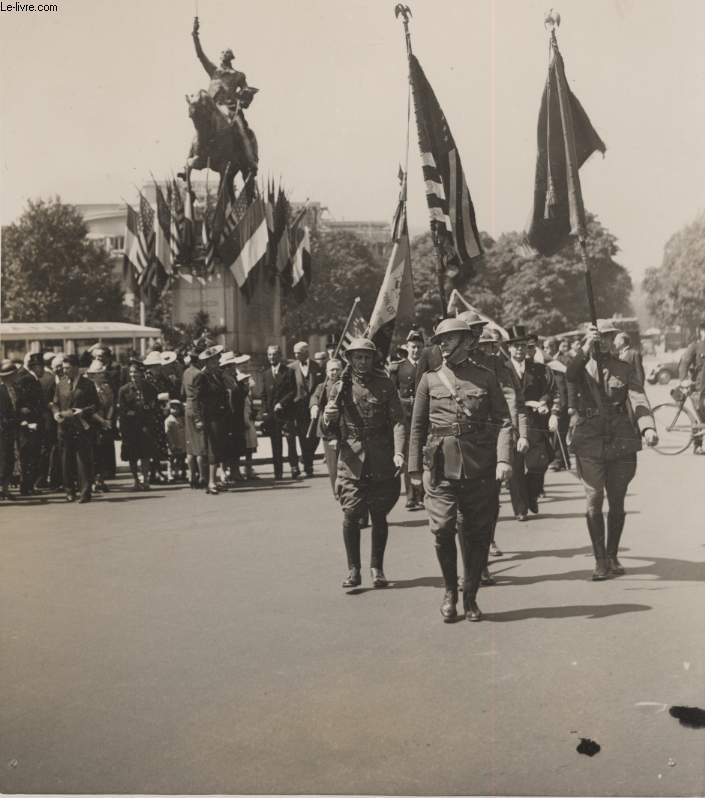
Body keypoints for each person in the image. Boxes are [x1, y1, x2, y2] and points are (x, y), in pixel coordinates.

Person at [408, 318, 513, 622]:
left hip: (479, 466)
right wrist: (414, 468)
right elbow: (417, 427)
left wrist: (504, 459)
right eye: (440, 339)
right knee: (442, 529)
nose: (442, 344)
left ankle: (470, 595)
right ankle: (449, 591)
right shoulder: (429, 380)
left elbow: (504, 421)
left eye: (450, 339)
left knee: (477, 533)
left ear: (467, 342)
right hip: (440, 465)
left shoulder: (486, 377)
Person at [566, 321, 658, 579]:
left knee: (617, 500)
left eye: (608, 337)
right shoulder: (581, 365)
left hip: (620, 440)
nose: (604, 341)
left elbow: (638, 399)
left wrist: (647, 427)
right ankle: (600, 560)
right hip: (589, 440)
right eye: (599, 337)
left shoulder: (624, 368)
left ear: (614, 340)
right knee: (594, 499)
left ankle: (613, 554)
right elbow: (570, 376)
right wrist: (585, 347)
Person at [322, 338, 405, 589]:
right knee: (351, 514)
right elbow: (327, 430)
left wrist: (399, 452)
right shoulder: (339, 388)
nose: (362, 361)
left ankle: (376, 568)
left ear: (373, 359)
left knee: (379, 515)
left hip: (380, 459)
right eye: (357, 357)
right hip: (351, 459)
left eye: (367, 357)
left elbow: (398, 421)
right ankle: (353, 569)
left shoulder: (385, 386)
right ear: (349, 359)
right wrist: (328, 418)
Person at [472, 320, 529, 578]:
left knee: (490, 500)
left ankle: (485, 548)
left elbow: (512, 401)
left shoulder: (500, 367)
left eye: (489, 346)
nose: (485, 350)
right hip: (464, 441)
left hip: (493, 438)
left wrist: (518, 433)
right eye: (482, 345)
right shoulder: (454, 365)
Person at [505, 325, 560, 520]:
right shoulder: (502, 369)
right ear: (509, 348)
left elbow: (550, 389)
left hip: (536, 420)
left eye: (522, 346)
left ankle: (532, 492)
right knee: (516, 466)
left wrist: (544, 402)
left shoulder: (538, 369)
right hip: (510, 422)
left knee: (540, 462)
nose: (519, 350)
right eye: (515, 346)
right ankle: (520, 509)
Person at [50, 354, 99, 504]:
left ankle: (85, 492)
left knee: (83, 460)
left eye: (68, 368)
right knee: (66, 460)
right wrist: (56, 413)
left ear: (76, 368)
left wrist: (83, 411)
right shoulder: (61, 384)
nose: (65, 371)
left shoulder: (87, 384)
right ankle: (69, 491)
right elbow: (55, 403)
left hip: (82, 426)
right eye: (63, 368)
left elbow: (96, 405)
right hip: (64, 427)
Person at [391, 327, 425, 510]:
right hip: (405, 417)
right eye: (413, 347)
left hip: (424, 417)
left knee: (425, 455)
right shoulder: (398, 368)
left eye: (419, 347)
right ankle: (411, 497)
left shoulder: (428, 367)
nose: (416, 351)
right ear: (407, 347)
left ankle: (424, 495)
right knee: (408, 458)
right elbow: (391, 393)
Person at [118, 360, 161, 490]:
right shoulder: (124, 390)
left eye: (135, 372)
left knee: (145, 454)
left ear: (141, 373)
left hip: (146, 425)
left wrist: (146, 410)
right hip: (130, 427)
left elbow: (154, 406)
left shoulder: (150, 388)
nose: (133, 374)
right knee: (132, 455)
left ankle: (146, 480)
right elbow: (123, 410)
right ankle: (136, 480)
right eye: (131, 372)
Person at [193, 345, 229, 494]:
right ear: (207, 362)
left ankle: (215, 480)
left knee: (218, 448)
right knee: (212, 449)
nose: (218, 363)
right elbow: (196, 400)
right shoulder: (202, 377)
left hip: (219, 417)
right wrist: (198, 419)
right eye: (215, 360)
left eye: (218, 360)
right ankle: (211, 482)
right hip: (208, 417)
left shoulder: (217, 375)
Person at [261, 344, 298, 480]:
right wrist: (265, 411)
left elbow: (293, 391)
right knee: (275, 443)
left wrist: (282, 403)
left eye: (274, 354)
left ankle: (294, 467)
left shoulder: (288, 372)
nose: (272, 357)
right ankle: (278, 472)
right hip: (272, 415)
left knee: (290, 441)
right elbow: (263, 394)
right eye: (269, 355)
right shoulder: (265, 374)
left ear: (280, 356)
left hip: (286, 412)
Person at [14, 352, 47, 495]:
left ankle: (28, 486)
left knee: (32, 456)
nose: (44, 370)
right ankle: (26, 486)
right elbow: (21, 402)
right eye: (41, 367)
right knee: (29, 456)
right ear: (35, 367)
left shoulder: (32, 380)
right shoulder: (27, 380)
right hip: (29, 425)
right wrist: (25, 417)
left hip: (33, 423)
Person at [310, 358, 343, 495]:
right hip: (328, 429)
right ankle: (337, 491)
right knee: (333, 464)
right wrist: (314, 406)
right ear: (326, 371)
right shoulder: (322, 386)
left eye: (337, 369)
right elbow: (315, 397)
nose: (334, 372)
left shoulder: (345, 385)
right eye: (331, 369)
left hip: (344, 427)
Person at [290, 341, 322, 477]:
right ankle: (308, 466)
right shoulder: (291, 368)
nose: (296, 355)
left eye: (299, 353)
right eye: (295, 353)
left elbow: (321, 386)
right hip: (299, 410)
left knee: (315, 437)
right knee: (303, 437)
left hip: (314, 407)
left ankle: (307, 459)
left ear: (306, 353)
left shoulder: (317, 366)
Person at [86, 360, 115, 493]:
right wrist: (101, 421)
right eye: (99, 373)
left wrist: (108, 419)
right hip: (93, 423)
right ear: (93, 375)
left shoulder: (107, 388)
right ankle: (93, 480)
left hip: (105, 422)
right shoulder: (89, 388)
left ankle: (101, 479)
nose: (102, 375)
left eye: (103, 373)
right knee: (94, 453)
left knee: (103, 452)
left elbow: (111, 404)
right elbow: (90, 409)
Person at [543, 337, 571, 472]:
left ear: (555, 347)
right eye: (544, 348)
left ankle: (558, 460)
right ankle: (564, 460)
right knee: (554, 430)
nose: (546, 350)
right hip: (551, 402)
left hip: (564, 402)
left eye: (549, 347)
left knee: (560, 431)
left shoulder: (564, 361)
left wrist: (570, 403)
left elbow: (569, 383)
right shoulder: (544, 362)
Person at [182, 344, 208, 488]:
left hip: (188, 408)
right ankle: (202, 477)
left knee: (190, 446)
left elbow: (182, 392)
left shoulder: (185, 372)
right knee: (200, 446)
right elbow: (199, 396)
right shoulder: (199, 374)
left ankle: (192, 476)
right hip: (197, 409)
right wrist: (199, 418)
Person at [677, 320, 705, 454]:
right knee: (700, 417)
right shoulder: (695, 347)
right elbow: (684, 363)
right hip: (698, 389)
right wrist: (683, 380)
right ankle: (698, 446)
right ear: (701, 332)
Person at [219, 350, 246, 482]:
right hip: (228, 416)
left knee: (236, 445)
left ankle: (235, 471)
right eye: (232, 365)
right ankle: (224, 471)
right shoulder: (224, 379)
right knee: (226, 446)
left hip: (237, 416)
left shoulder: (234, 378)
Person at [0, 360, 19, 501]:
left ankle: (5, 489)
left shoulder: (14, 389)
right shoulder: (1, 390)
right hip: (2, 429)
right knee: (3, 459)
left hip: (11, 429)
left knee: (9, 459)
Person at [237, 372, 259, 479]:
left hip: (249, 422)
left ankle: (248, 469)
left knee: (250, 448)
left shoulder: (247, 395)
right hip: (244, 422)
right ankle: (243, 469)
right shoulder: (241, 395)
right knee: (245, 447)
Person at [164, 400, 187, 482]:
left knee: (181, 458)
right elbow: (168, 433)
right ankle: (169, 473)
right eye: (172, 408)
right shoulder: (169, 420)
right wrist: (171, 443)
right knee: (171, 459)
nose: (174, 410)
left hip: (182, 442)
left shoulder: (183, 419)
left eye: (176, 408)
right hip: (173, 442)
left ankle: (178, 472)